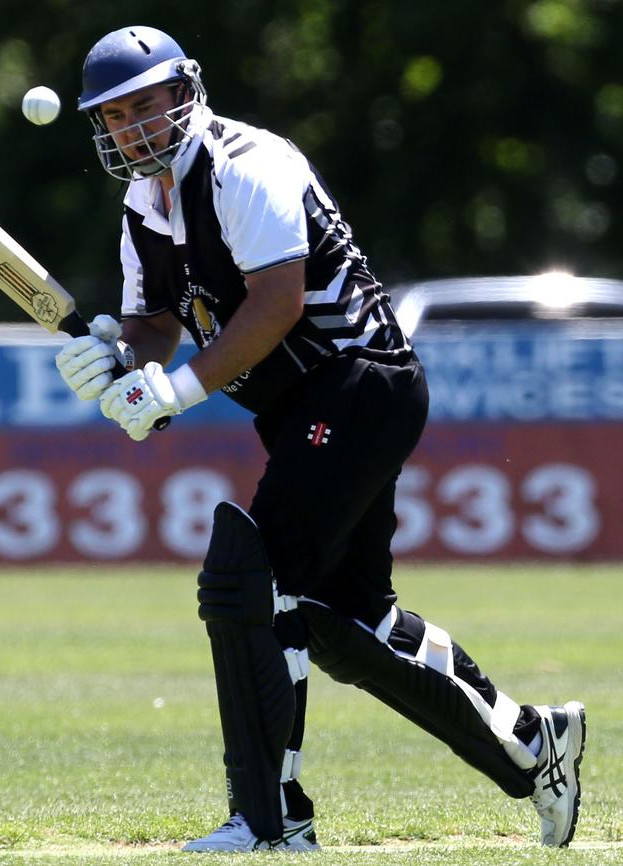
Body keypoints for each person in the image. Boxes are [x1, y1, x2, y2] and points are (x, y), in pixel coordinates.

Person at [56, 25, 586, 853]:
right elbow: (153, 322)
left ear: (185, 91)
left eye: (145, 106)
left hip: (360, 384)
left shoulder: (247, 165)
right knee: (345, 619)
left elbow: (277, 305)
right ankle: (531, 743)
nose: (133, 128)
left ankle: (270, 818)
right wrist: (117, 364)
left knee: (247, 579)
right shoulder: (143, 204)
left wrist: (175, 390)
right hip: (309, 409)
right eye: (115, 117)